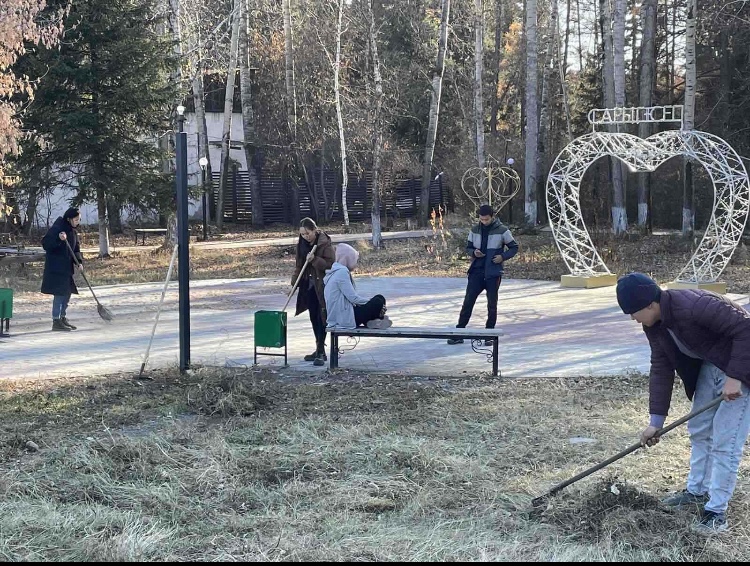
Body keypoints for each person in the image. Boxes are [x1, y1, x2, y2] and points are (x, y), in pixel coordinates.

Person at [616, 272, 750, 536]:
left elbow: (746, 329)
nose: (632, 318)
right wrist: (655, 422)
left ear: (650, 304)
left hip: (742, 367)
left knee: (726, 439)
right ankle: (697, 491)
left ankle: (716, 512)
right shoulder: (654, 325)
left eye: (633, 312)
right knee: (699, 429)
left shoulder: (694, 305)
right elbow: (661, 367)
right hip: (713, 364)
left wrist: (735, 377)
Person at [447, 204, 518, 345]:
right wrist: (474, 252)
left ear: (492, 217)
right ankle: (459, 333)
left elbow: (514, 247)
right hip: (476, 272)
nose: (484, 221)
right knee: (468, 302)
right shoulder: (474, 230)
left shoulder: (503, 230)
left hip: (493, 273)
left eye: (486, 219)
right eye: (481, 219)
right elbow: (468, 247)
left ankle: (489, 334)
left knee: (492, 304)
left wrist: (502, 257)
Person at [292, 217, 335, 366]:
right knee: (312, 317)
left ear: (315, 230)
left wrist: (314, 259)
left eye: (307, 233)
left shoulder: (324, 243)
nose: (305, 237)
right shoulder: (302, 244)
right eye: (302, 234)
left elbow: (330, 264)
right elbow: (299, 265)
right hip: (308, 286)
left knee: (321, 317)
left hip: (321, 285)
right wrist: (294, 283)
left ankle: (321, 352)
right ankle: (318, 349)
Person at [324, 243, 391, 331]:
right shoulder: (341, 272)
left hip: (341, 316)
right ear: (347, 258)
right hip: (345, 319)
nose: (356, 263)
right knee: (378, 301)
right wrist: (374, 304)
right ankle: (377, 320)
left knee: (379, 298)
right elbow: (353, 298)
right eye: (354, 259)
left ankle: (374, 321)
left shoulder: (335, 272)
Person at [41, 207, 83, 332]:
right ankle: (56, 320)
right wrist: (58, 239)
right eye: (76, 220)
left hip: (66, 267)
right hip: (56, 267)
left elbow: (76, 248)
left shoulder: (72, 230)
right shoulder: (58, 227)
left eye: (79, 220)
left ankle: (62, 317)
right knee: (60, 293)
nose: (78, 222)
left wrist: (79, 262)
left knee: (67, 292)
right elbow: (46, 244)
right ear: (69, 219)